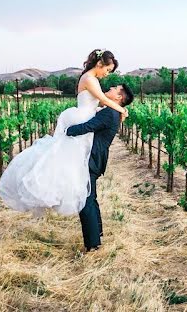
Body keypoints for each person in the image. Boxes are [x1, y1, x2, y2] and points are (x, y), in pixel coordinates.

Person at [0, 49, 129, 217]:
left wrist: (118, 111)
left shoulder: (92, 79)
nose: (107, 74)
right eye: (107, 70)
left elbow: (99, 104)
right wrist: (122, 111)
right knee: (68, 159)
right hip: (82, 118)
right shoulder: (90, 78)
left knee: (72, 161)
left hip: (86, 114)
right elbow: (104, 101)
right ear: (100, 64)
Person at [66, 81, 134, 251]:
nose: (109, 88)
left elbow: (88, 127)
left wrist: (67, 130)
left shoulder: (110, 113)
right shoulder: (112, 112)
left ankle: (93, 245)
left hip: (92, 159)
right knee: (91, 197)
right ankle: (97, 233)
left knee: (85, 199)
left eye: (114, 89)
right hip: (96, 158)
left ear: (119, 97)